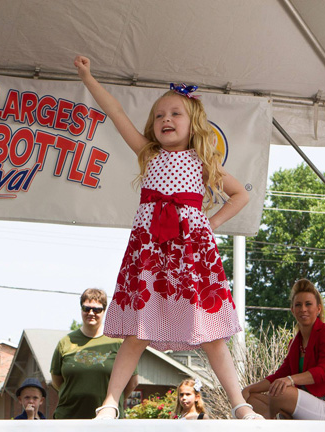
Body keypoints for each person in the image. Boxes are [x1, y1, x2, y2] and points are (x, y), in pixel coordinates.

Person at [74, 56, 259, 420]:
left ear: (193, 124)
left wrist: (210, 224)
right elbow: (115, 112)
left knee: (210, 334)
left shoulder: (203, 162)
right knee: (138, 332)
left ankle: (241, 405)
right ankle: (110, 403)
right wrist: (88, 77)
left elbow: (241, 195)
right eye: (159, 116)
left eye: (175, 114)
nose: (165, 120)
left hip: (190, 255)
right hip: (150, 254)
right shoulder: (148, 153)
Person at [241, 279, 325, 420]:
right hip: (303, 406)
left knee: (281, 392)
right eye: (298, 305)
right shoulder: (294, 343)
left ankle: (277, 422)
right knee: (251, 401)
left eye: (308, 304)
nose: (303, 309)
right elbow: (279, 376)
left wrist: (290, 380)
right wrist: (248, 389)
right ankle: (280, 420)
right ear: (292, 310)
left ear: (319, 309)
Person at [50, 288, 138, 418]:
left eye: (97, 309)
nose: (91, 313)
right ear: (81, 309)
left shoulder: (119, 343)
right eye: (86, 308)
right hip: (69, 419)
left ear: (104, 311)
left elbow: (132, 383)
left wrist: (113, 401)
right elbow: (56, 380)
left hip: (107, 421)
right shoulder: (66, 342)